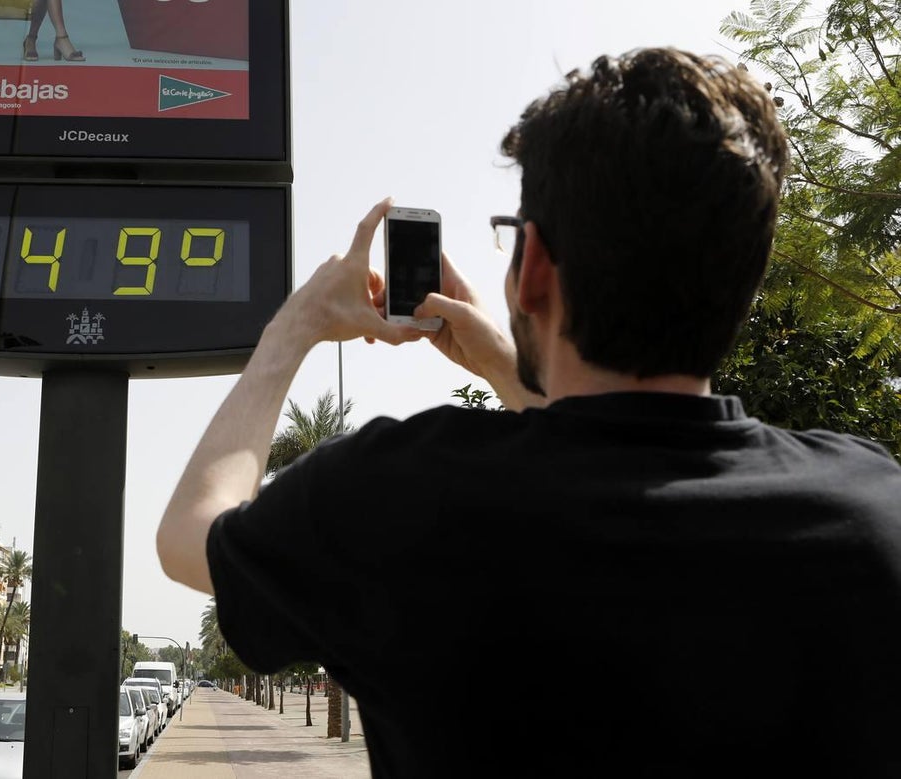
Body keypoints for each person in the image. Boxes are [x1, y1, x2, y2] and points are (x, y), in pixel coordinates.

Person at [156, 46, 901, 776]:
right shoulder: (872, 517)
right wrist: (504, 360)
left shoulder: (399, 498)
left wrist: (295, 326)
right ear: (748, 266)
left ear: (534, 267)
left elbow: (189, 538)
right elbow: (616, 458)